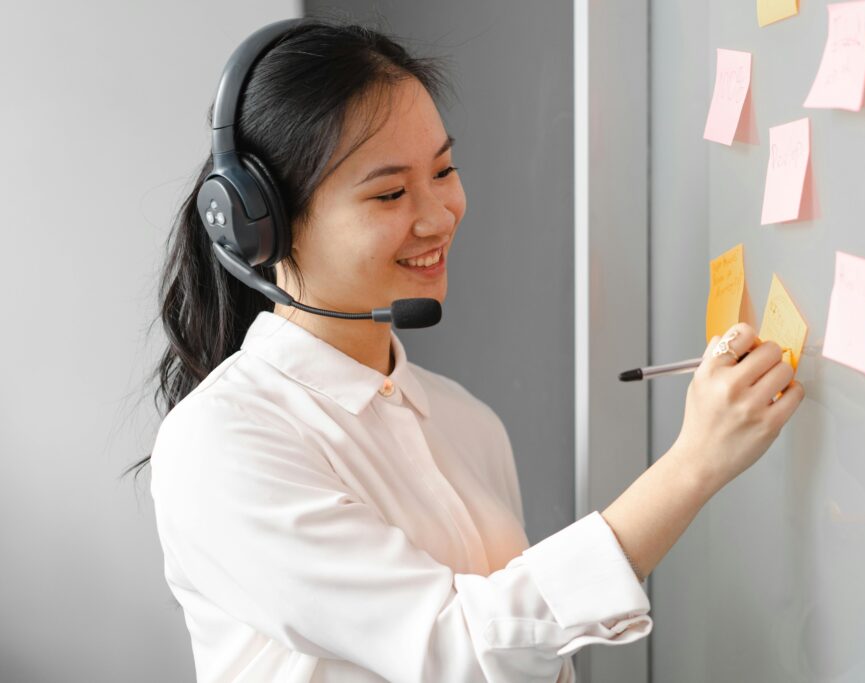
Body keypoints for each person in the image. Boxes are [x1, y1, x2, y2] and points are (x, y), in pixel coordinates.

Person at [135, 19, 804, 682]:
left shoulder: (467, 423)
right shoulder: (221, 440)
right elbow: (458, 652)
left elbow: (529, 661)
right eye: (390, 193)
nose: (439, 215)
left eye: (444, 170)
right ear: (265, 225)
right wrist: (694, 464)